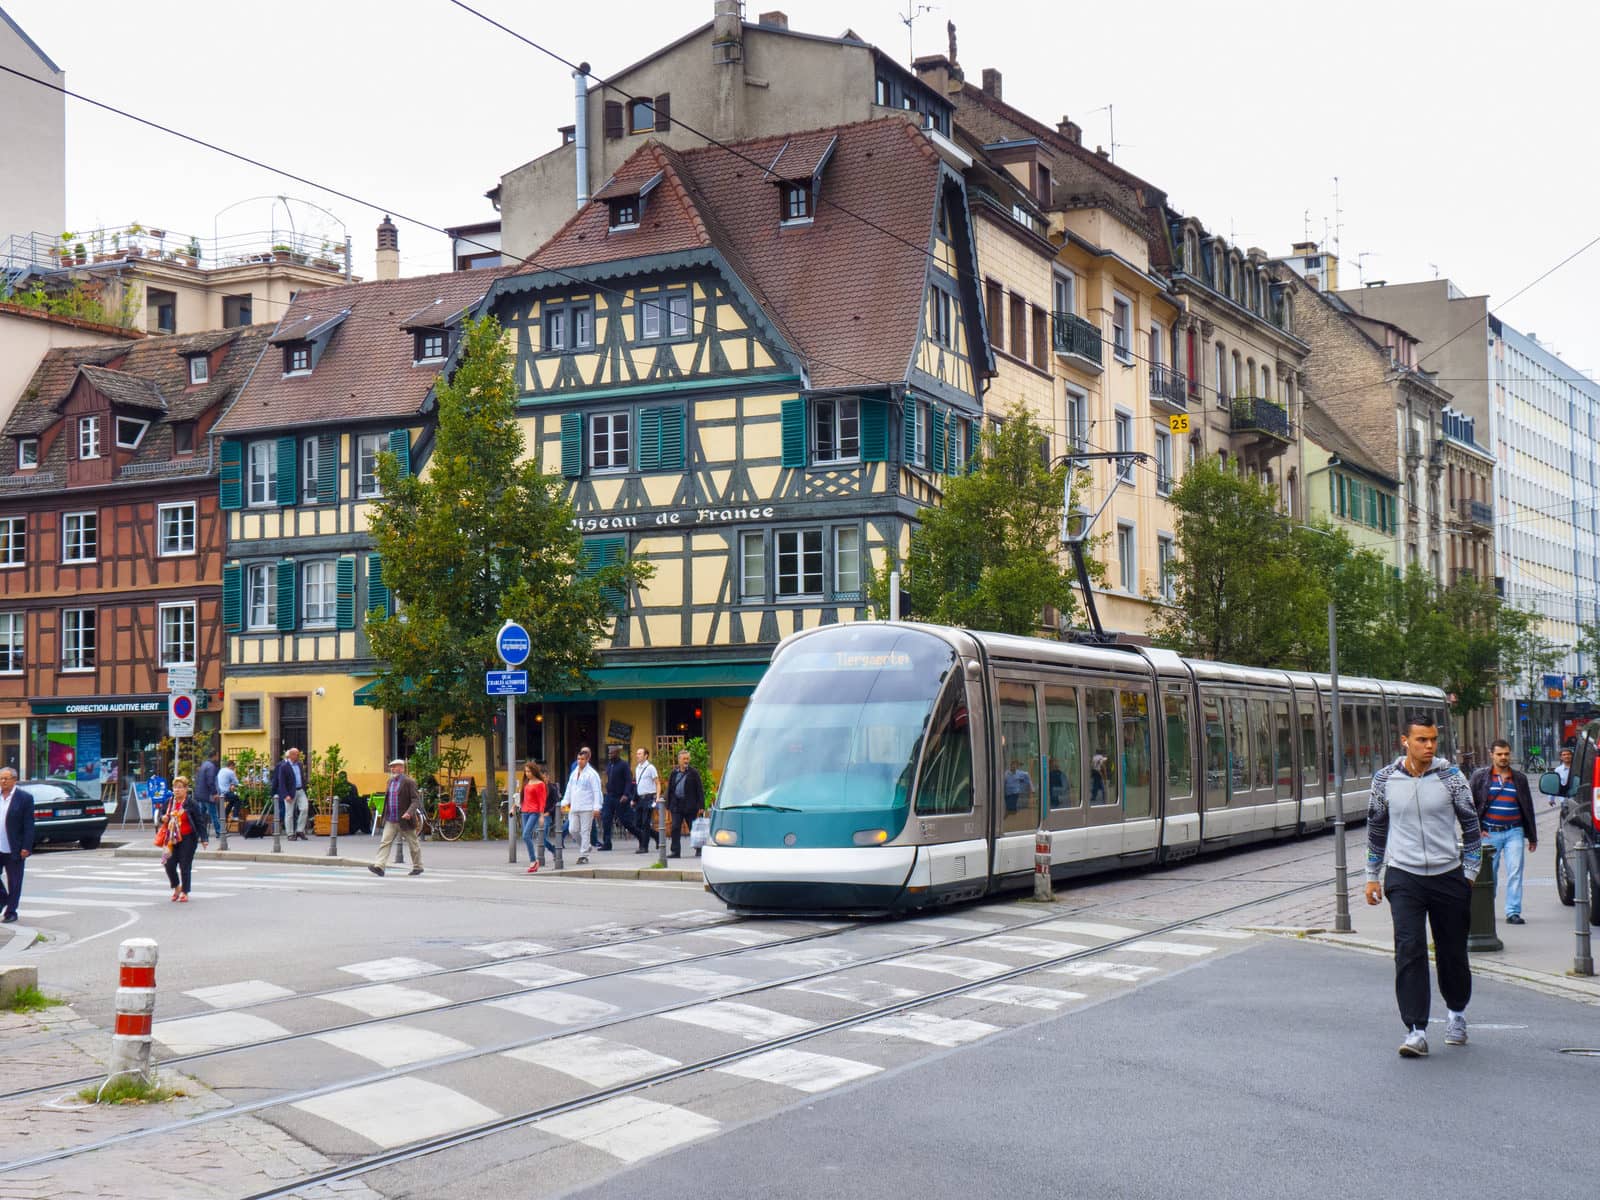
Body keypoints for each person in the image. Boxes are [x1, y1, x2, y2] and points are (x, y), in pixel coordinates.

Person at [1364, 712, 1481, 1058]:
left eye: (1433, 740)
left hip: (1448, 874)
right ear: (1405, 741)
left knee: (1452, 952)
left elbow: (1471, 826)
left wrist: (1470, 873)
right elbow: (1376, 829)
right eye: (1422, 740)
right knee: (1410, 949)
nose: (1429, 746)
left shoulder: (1451, 777)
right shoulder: (1385, 780)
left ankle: (1457, 1012)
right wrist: (1372, 875)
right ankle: (1415, 1029)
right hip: (1403, 874)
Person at [1469, 739, 1537, 925]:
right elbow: (1469, 806)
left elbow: (1528, 808)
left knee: (1515, 871)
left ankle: (1513, 911)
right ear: (1492, 755)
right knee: (1488, 874)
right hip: (1489, 833)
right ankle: (1486, 908)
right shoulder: (1480, 777)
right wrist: (1477, 829)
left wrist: (1532, 836)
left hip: (1514, 831)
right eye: (1499, 754)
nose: (1503, 757)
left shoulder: (1519, 778)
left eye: (1506, 754)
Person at [369, 758, 423, 877]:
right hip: (391, 818)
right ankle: (379, 866)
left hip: (405, 819)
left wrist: (409, 812)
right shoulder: (390, 781)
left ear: (402, 768)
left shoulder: (409, 782)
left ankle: (418, 866)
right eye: (391, 767)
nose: (392, 769)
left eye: (395, 766)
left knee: (413, 844)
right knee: (385, 842)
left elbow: (415, 800)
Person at [161, 775, 208, 903]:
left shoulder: (191, 803)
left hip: (188, 838)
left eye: (180, 787)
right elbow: (162, 814)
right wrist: (163, 818)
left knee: (185, 865)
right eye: (175, 787)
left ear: (186, 789)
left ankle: (185, 891)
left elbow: (199, 821)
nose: (177, 790)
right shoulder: (169, 802)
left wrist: (204, 838)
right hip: (171, 838)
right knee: (168, 864)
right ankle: (176, 887)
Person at [0, 767, 35, 924]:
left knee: (15, 881)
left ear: (14, 780)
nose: (3, 781)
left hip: (14, 847)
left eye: (6, 778)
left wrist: (26, 846)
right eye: (1, 778)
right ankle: (3, 898)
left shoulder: (24, 798)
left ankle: (11, 911)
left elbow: (29, 825)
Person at [564, 748, 603, 865]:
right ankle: (586, 846)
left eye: (582, 759)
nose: (580, 761)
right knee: (572, 830)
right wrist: (565, 801)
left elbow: (597, 791)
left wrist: (597, 807)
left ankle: (583, 855)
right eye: (578, 759)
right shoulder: (574, 773)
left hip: (587, 806)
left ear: (587, 760)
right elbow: (569, 788)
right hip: (575, 806)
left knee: (585, 831)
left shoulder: (592, 774)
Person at [666, 749, 705, 859]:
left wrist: (701, 806)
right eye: (684, 759)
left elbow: (699, 790)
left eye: (687, 758)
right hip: (676, 805)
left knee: (693, 828)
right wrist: (668, 805)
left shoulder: (694, 772)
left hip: (690, 805)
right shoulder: (674, 773)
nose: (686, 761)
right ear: (679, 760)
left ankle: (699, 849)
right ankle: (675, 851)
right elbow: (670, 789)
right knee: (675, 827)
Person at [600, 746, 634, 852]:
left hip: (620, 797)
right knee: (606, 818)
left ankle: (640, 836)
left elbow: (629, 781)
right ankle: (607, 843)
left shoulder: (624, 765)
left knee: (625, 821)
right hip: (609, 796)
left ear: (617, 753)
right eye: (609, 753)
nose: (609, 755)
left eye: (612, 753)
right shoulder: (609, 765)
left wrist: (626, 794)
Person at [518, 762, 548, 873]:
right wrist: (515, 807)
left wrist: (541, 815)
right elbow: (522, 797)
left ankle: (533, 860)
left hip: (534, 812)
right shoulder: (526, 782)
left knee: (525, 835)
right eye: (526, 771)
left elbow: (542, 800)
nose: (527, 774)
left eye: (529, 771)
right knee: (526, 836)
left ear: (534, 771)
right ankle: (533, 860)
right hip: (525, 811)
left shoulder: (540, 784)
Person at [275, 748, 309, 841]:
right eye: (296, 755)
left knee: (305, 808)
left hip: (300, 790)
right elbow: (281, 782)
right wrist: (285, 795)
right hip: (290, 792)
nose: (298, 756)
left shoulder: (300, 765)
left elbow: (302, 777)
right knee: (289, 813)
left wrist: (305, 787)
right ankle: (290, 833)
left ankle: (299, 830)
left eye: (298, 755)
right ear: (290, 755)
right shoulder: (284, 766)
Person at [633, 747, 660, 854]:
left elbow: (657, 783)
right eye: (637, 753)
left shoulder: (650, 768)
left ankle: (644, 846)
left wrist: (657, 797)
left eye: (640, 754)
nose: (637, 755)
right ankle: (656, 836)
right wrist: (634, 799)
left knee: (645, 823)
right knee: (637, 823)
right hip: (640, 798)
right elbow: (637, 784)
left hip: (649, 797)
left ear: (646, 756)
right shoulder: (637, 768)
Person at [193, 747, 222, 839]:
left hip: (200, 794)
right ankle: (219, 832)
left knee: (201, 816)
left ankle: (199, 833)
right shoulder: (211, 766)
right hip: (207, 795)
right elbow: (210, 781)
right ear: (215, 756)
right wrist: (214, 793)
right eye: (217, 755)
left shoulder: (204, 765)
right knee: (214, 814)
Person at [334, 770, 366, 835]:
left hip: (351, 803)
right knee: (359, 805)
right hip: (347, 803)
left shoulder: (351, 786)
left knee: (360, 805)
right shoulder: (338, 787)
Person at [217, 757, 242, 826]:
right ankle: (235, 816)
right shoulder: (230, 772)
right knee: (238, 799)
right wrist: (236, 784)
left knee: (232, 800)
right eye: (234, 767)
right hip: (225, 793)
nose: (234, 768)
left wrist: (231, 784)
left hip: (219, 793)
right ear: (231, 766)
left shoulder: (221, 770)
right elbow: (236, 782)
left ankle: (224, 816)